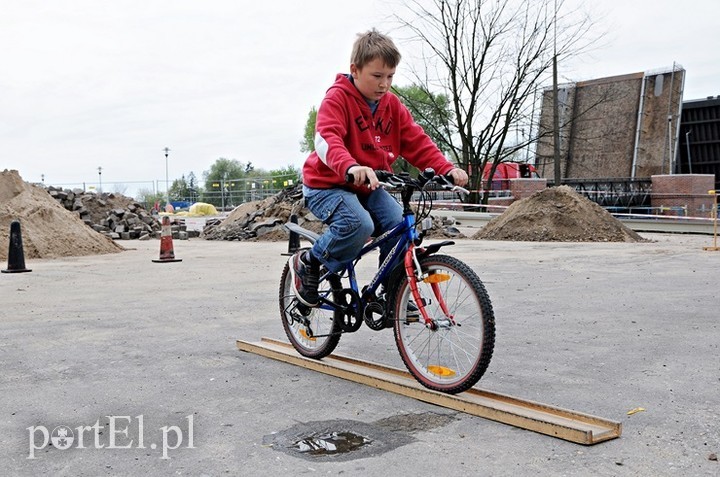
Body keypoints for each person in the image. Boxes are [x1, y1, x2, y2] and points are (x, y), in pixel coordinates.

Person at [291, 28, 468, 307]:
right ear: (355, 70)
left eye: (390, 76)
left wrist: (445, 168)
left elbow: (416, 142)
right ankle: (310, 263)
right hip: (328, 184)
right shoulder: (337, 99)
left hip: (369, 185)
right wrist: (350, 165)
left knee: (399, 224)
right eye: (377, 76)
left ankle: (392, 293)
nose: (384, 84)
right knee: (359, 224)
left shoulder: (392, 106)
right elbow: (327, 140)